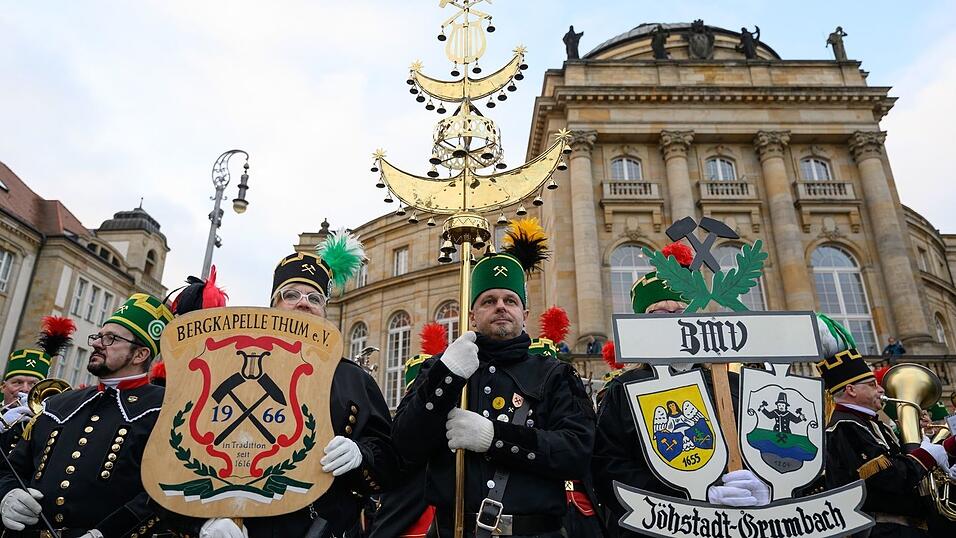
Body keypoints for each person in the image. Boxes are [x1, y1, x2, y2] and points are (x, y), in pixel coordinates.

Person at [392, 218, 595, 538]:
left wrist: (494, 436)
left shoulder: (554, 374)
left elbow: (577, 452)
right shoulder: (440, 369)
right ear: (472, 314)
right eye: (488, 301)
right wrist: (446, 377)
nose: (500, 307)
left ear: (525, 315)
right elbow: (405, 445)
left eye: (510, 300)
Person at [198, 230, 398, 538]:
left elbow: (388, 461)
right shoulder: (226, 367)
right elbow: (193, 449)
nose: (304, 304)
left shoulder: (352, 377)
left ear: (324, 310)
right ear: (273, 306)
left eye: (314, 298)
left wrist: (361, 454)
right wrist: (205, 518)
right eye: (291, 295)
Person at [592, 242, 769, 537]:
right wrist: (692, 498)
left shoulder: (732, 384)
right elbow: (609, 468)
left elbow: (758, 447)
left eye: (681, 311)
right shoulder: (623, 389)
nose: (673, 320)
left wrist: (764, 484)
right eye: (660, 314)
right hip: (657, 528)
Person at [0, 293, 173, 537]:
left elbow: (166, 490)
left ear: (140, 355)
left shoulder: (166, 408)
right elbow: (9, 469)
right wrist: (7, 494)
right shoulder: (59, 404)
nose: (96, 343)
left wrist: (108, 533)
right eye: (99, 336)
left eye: (111, 338)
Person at [817, 345, 956, 538]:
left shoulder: (874, 425)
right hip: (882, 530)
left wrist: (946, 450)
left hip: (908, 527)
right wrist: (926, 456)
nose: (881, 389)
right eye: (873, 384)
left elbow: (909, 470)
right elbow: (886, 478)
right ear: (851, 390)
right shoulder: (844, 427)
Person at [0, 316, 76, 454]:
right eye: (17, 382)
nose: (24, 389)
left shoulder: (50, 423)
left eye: (33, 384)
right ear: (3, 386)